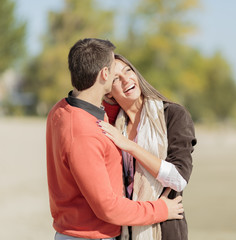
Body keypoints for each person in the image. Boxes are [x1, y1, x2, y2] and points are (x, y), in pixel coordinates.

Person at [46, 38, 184, 240]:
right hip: (90, 236)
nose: (120, 76)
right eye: (114, 72)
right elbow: (108, 208)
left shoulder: (60, 110)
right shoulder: (84, 132)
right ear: (104, 74)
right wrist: (161, 209)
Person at [98, 53, 197, 240]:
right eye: (116, 78)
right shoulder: (114, 127)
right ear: (108, 91)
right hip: (125, 230)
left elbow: (179, 178)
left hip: (166, 230)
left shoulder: (173, 115)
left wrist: (130, 146)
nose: (126, 79)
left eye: (128, 70)